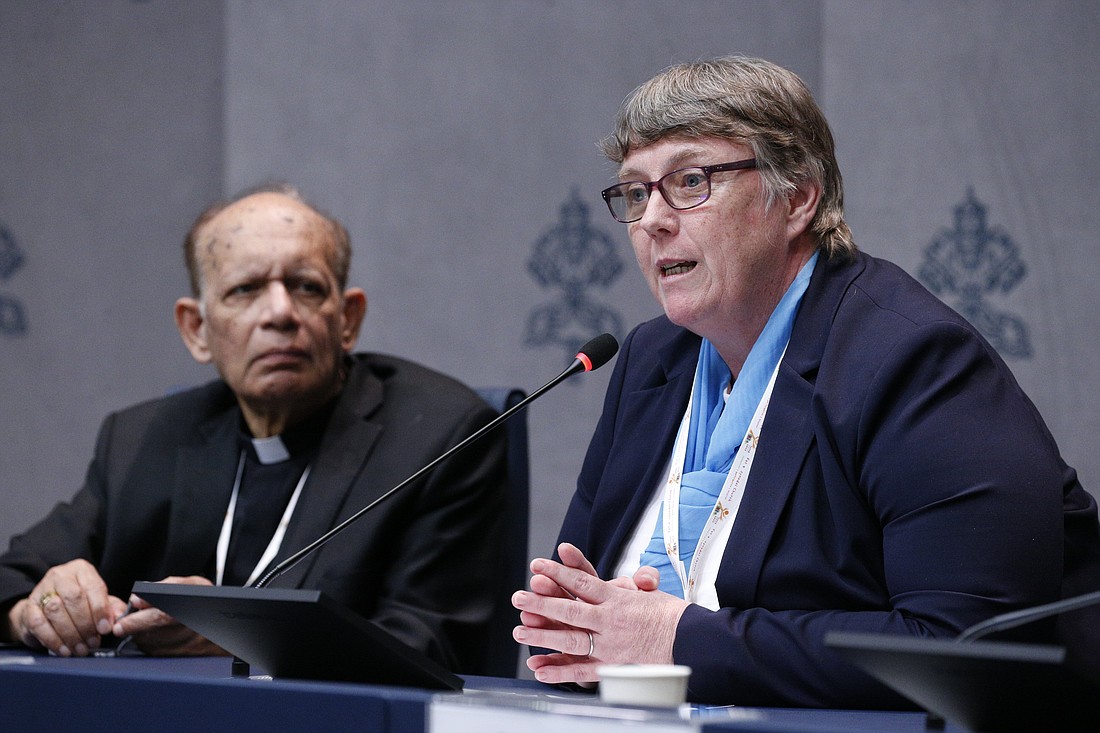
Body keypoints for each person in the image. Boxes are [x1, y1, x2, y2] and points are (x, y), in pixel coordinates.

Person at [511, 56, 1100, 708]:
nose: (652, 218)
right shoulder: (655, 359)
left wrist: (676, 638)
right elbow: (570, 624)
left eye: (690, 180)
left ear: (796, 197)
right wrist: (581, 628)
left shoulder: (910, 362)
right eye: (636, 191)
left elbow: (965, 650)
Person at [0, 183, 507, 673]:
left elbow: (431, 644)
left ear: (347, 318)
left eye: (306, 287)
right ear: (196, 329)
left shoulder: (442, 436)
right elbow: (12, 575)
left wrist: (235, 639)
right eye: (246, 289)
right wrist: (33, 612)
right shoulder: (139, 440)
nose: (281, 313)